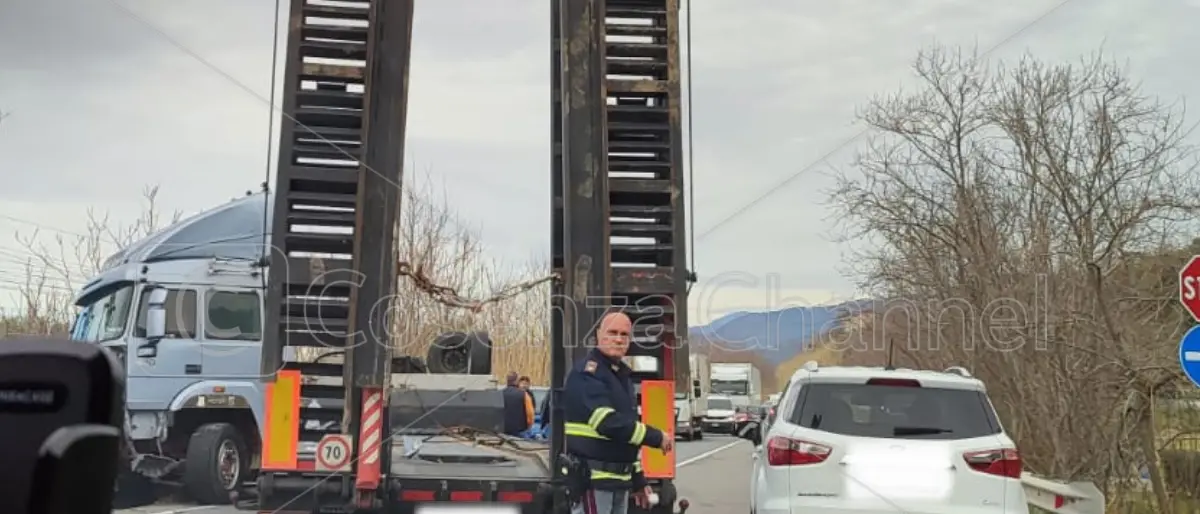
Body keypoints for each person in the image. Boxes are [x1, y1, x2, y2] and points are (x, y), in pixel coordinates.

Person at [563, 312, 674, 514]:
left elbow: (628, 434)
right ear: (598, 335)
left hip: (618, 483)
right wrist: (656, 437)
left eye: (624, 334)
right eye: (612, 332)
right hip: (593, 481)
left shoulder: (620, 376)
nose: (618, 339)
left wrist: (638, 480)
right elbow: (607, 423)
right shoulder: (588, 374)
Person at [501, 371, 533, 436]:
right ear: (516, 381)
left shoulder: (499, 394)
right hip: (520, 431)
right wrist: (529, 426)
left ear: (507, 381)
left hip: (503, 431)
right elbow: (530, 414)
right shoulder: (524, 394)